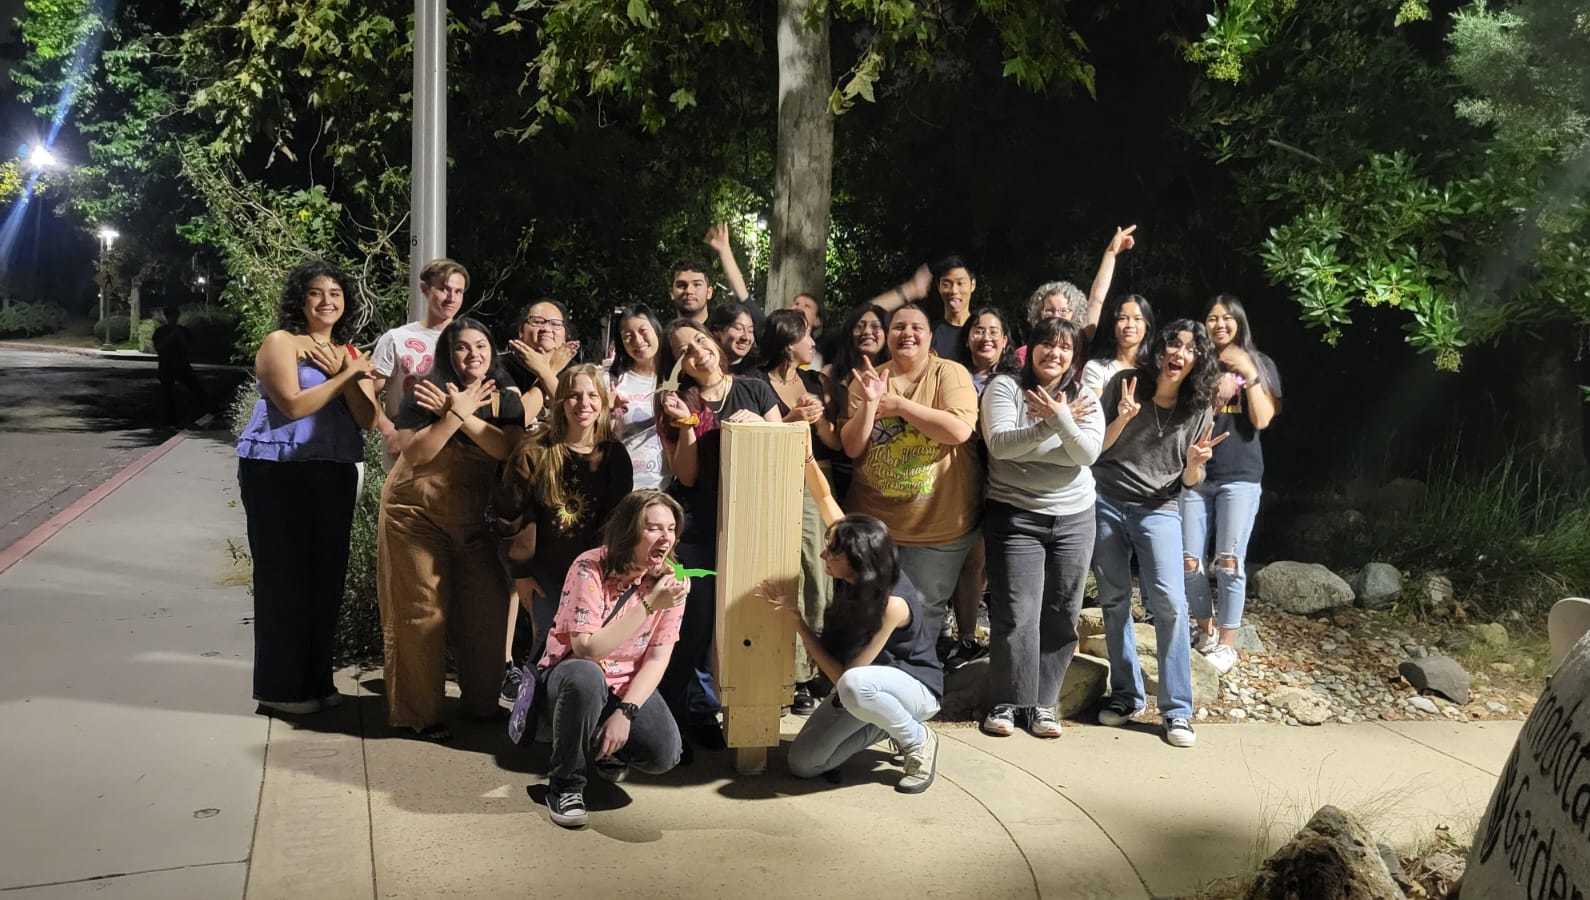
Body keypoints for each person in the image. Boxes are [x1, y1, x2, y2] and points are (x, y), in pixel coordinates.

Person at [236, 260, 376, 715]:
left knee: (325, 579)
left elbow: (368, 419)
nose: (327, 301)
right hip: (278, 470)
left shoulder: (347, 352)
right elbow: (293, 406)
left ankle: (317, 679)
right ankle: (280, 690)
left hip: (333, 470)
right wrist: (345, 377)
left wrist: (350, 373)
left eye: (336, 293)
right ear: (300, 299)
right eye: (317, 292)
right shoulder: (282, 343)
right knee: (283, 578)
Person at [377, 317, 525, 740]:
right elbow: (417, 452)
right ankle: (419, 714)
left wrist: (461, 413)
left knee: (487, 609)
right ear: (448, 353)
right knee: (422, 613)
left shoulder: (507, 397)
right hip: (414, 515)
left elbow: (506, 449)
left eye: (481, 345)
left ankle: (481, 706)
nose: (473, 354)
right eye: (462, 347)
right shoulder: (423, 390)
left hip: (473, 520)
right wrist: (451, 414)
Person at [766, 462, 942, 793]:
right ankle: (887, 725)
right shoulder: (852, 558)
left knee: (854, 686)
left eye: (831, 551)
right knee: (803, 765)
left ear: (856, 558)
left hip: (911, 688)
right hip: (864, 690)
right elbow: (824, 496)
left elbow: (844, 678)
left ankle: (918, 739)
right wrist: (805, 456)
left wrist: (799, 625)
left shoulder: (892, 605)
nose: (822, 554)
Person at [1092, 320, 1223, 749]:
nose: (1178, 353)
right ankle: (1127, 695)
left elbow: (1190, 480)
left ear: (1197, 360)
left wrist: (1195, 464)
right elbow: (1095, 448)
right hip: (1107, 499)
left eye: (1189, 348)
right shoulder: (1125, 384)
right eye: (1172, 343)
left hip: (1159, 507)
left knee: (1169, 602)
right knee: (1113, 599)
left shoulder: (1199, 406)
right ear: (1159, 348)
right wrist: (1123, 417)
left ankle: (1177, 710)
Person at [654, 320, 783, 752]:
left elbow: (788, 449)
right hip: (697, 527)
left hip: (752, 521)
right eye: (685, 350)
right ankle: (676, 718)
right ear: (678, 365)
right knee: (693, 625)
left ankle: (716, 712)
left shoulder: (756, 388)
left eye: (701, 341)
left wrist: (761, 428)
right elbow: (686, 474)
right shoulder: (678, 401)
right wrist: (689, 422)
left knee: (741, 621)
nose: (697, 351)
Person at [979, 316, 1103, 738]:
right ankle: (1009, 701)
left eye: (1065, 347)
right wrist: (1051, 425)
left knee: (1062, 612)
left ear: (1074, 355)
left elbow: (1086, 453)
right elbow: (1000, 445)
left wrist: (1060, 419)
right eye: (1047, 345)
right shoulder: (1005, 388)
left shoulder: (1084, 395)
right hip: (1014, 515)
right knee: (1017, 612)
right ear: (1029, 349)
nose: (1055, 353)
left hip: (1074, 517)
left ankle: (1044, 704)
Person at [537, 490, 690, 828]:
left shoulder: (674, 581)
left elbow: (658, 656)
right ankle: (565, 784)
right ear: (628, 531)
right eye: (652, 528)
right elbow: (587, 649)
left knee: (665, 753)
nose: (664, 537)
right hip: (573, 673)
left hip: (623, 683)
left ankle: (603, 747)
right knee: (585, 677)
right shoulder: (589, 566)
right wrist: (649, 603)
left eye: (670, 528)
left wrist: (627, 712)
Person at [492, 364, 633, 705]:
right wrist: (521, 576)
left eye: (590, 395)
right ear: (560, 403)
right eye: (573, 395)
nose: (582, 403)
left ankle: (575, 723)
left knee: (591, 654)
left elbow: (619, 523)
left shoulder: (614, 457)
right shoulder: (535, 452)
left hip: (596, 578)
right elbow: (509, 516)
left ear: (602, 402)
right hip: (547, 573)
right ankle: (527, 719)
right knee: (547, 649)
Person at [840, 303, 980, 644]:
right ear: (888, 337)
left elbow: (959, 430)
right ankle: (866, 684)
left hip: (937, 525)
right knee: (868, 610)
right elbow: (852, 447)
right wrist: (872, 404)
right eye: (899, 327)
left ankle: (918, 686)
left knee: (923, 612)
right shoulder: (868, 379)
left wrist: (900, 406)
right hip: (875, 526)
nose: (907, 333)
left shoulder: (950, 373)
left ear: (930, 337)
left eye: (916, 327)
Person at [1182, 295, 1281, 674]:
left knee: (1228, 562)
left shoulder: (1260, 363)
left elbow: (1262, 419)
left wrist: (1247, 372)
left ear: (1240, 323)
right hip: (1196, 473)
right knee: (1189, 562)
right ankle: (1205, 630)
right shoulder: (1196, 362)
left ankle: (1227, 642)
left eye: (1227, 318)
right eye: (1212, 318)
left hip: (1240, 475)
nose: (1219, 324)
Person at [754, 308, 840, 714]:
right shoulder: (755, 383)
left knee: (819, 572)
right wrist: (792, 418)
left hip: (814, 482)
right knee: (784, 572)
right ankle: (792, 673)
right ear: (789, 342)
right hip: (773, 480)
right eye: (807, 337)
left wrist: (819, 419)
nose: (813, 344)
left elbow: (832, 443)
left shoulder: (813, 381)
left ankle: (819, 668)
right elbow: (755, 438)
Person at [940, 307, 1020, 670]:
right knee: (970, 562)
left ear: (1005, 341)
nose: (985, 337)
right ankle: (966, 637)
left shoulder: (1018, 381)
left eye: (993, 331)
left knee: (1002, 563)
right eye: (978, 330)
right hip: (961, 478)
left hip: (1008, 479)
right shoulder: (951, 376)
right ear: (967, 336)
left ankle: (1010, 641)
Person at [370, 258, 469, 465]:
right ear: (425, 290)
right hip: (408, 441)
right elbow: (368, 392)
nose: (451, 298)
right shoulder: (396, 338)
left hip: (457, 444)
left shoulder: (472, 341)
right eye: (444, 289)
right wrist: (389, 432)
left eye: (458, 292)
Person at [824, 303, 891, 502]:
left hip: (886, 469)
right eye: (859, 326)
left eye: (875, 326)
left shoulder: (898, 373)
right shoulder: (831, 374)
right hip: (842, 469)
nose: (867, 332)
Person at [606, 307, 670, 490]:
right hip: (623, 486)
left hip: (667, 488)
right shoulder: (612, 381)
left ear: (656, 330)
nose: (637, 340)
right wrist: (607, 413)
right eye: (628, 336)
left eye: (643, 331)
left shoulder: (675, 380)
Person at [668, 222, 760, 327]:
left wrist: (725, 251)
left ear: (709, 292)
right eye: (681, 285)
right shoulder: (662, 338)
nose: (689, 291)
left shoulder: (724, 334)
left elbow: (754, 316)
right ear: (671, 292)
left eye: (697, 284)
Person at [505, 298, 580, 424]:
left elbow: (576, 416)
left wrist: (544, 371)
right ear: (520, 331)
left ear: (565, 335)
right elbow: (516, 420)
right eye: (537, 321)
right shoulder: (502, 366)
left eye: (555, 324)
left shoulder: (576, 372)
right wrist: (551, 369)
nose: (546, 328)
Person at [1083, 293, 1154, 397]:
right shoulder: (1096, 368)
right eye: (1122, 318)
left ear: (1147, 327)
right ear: (1113, 325)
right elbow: (1095, 412)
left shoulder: (1154, 370)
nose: (1130, 325)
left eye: (1137, 319)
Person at [152, 305, 212, 424]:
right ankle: (169, 420)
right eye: (171, 316)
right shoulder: (161, 331)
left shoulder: (183, 330)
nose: (173, 319)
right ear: (166, 317)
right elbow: (159, 348)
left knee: (196, 388)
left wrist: (180, 338)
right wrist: (172, 337)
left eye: (175, 316)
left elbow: (189, 347)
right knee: (167, 394)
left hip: (181, 364)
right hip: (166, 365)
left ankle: (208, 409)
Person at [928, 256, 977, 359]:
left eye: (960, 283)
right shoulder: (929, 334)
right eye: (946, 284)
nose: (954, 291)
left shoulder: (984, 330)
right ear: (939, 287)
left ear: (972, 285)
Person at [706, 301, 760, 374]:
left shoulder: (757, 372)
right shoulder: (703, 366)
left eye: (750, 330)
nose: (746, 337)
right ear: (717, 331)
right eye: (738, 328)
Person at [792, 291, 825, 370]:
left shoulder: (815, 359)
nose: (799, 308)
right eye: (796, 304)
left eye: (807, 306)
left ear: (817, 321)